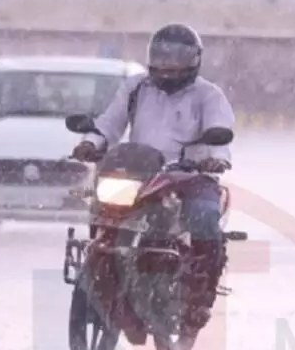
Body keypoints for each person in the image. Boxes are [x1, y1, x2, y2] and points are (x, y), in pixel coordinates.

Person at [72, 24, 234, 334]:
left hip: (191, 177)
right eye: (162, 56)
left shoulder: (208, 95)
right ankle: (107, 268)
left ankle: (200, 298)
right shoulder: (135, 88)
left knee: (204, 219)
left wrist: (216, 157)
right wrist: (91, 143)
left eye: (177, 57)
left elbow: (220, 132)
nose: (168, 65)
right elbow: (109, 123)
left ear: (195, 60)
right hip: (140, 176)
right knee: (105, 209)